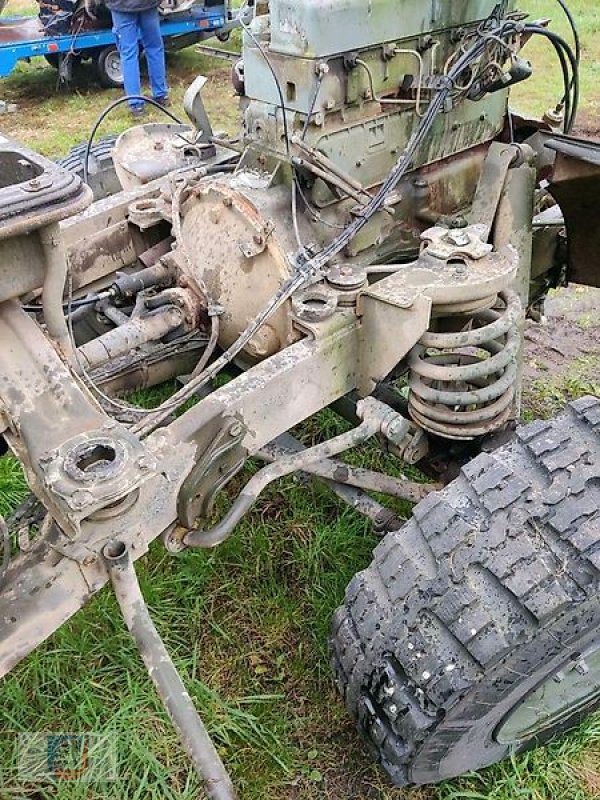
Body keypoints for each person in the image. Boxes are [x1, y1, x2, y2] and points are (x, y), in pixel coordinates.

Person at [104, 0, 169, 117]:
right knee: (154, 48)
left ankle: (136, 104)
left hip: (121, 6)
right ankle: (161, 95)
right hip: (148, 4)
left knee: (128, 54)